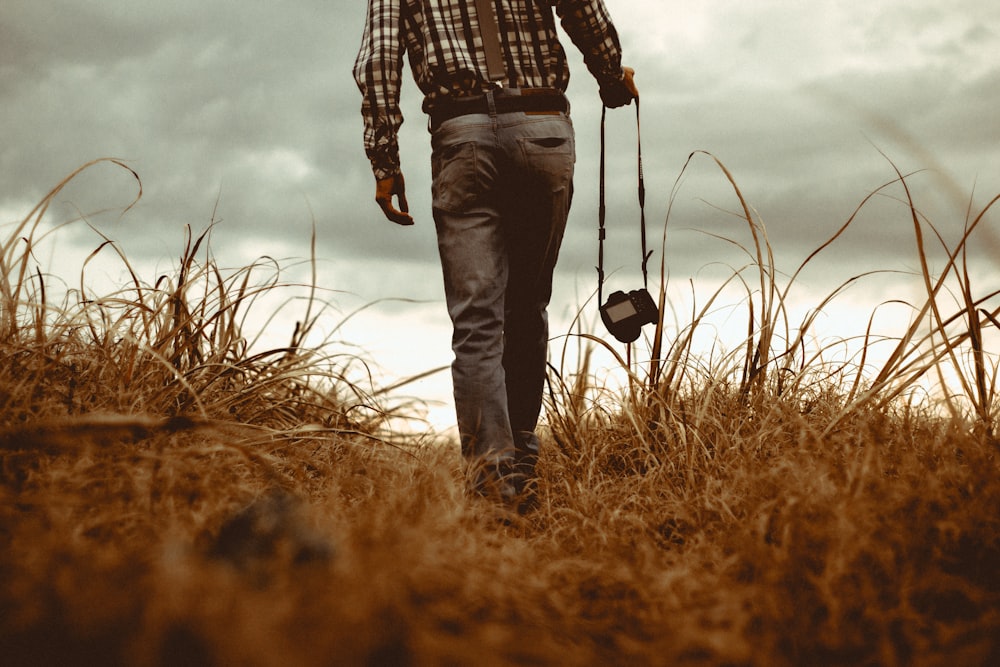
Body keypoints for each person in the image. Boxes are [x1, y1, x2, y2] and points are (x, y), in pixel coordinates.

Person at [354, 0, 637, 507]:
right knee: (527, 305)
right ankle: (524, 460)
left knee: (477, 320)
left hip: (462, 138)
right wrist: (611, 77)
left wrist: (384, 159)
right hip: (543, 130)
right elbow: (582, 10)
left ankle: (494, 484)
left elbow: (378, 59)